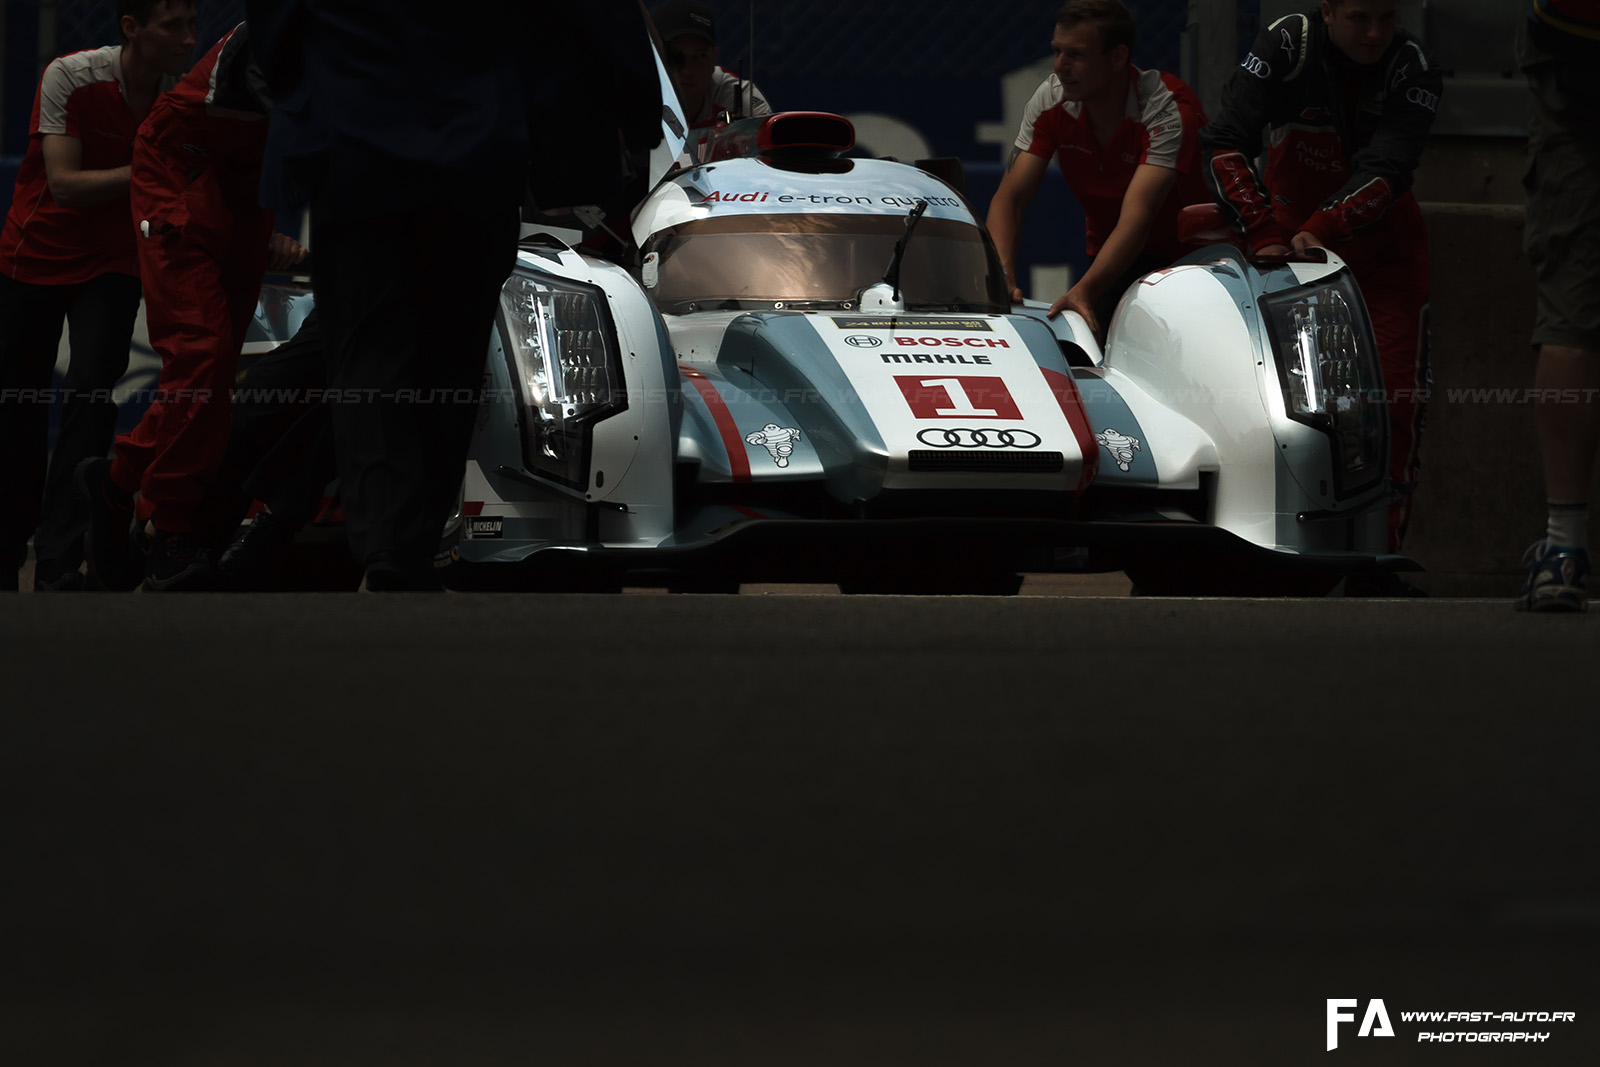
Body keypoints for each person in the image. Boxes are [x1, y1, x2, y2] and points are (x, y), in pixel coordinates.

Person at [1201, 0, 1440, 559]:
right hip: (1287, 256)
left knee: (1393, 408)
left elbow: (1390, 168)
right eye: (1360, 17)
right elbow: (1225, 139)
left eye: (1386, 18)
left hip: (1385, 259)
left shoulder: (1412, 65)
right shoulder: (1288, 45)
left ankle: (1377, 563)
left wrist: (1323, 227)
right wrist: (1262, 229)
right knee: (1282, 411)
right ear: (1328, 12)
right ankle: (1271, 555)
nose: (1374, 32)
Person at [77, 21, 305, 592]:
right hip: (181, 167)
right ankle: (168, 529)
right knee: (201, 355)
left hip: (251, 186)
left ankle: (119, 479)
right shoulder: (279, 28)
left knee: (215, 373)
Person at [0, 0, 195, 592]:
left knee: (91, 397)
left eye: (193, 25)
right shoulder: (70, 74)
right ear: (131, 28)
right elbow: (63, 184)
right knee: (18, 408)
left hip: (114, 263)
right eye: (174, 26)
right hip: (33, 256)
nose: (189, 39)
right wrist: (149, 171)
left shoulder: (184, 98)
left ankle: (59, 561)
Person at [985, 0, 1209, 341]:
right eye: (1057, 51)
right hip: (1112, 256)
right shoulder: (1051, 99)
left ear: (1118, 57)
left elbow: (1138, 219)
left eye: (1077, 55)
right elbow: (1009, 199)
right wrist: (1001, 278)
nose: (1060, 66)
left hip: (1193, 261)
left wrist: (1084, 290)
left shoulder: (1168, 108)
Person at [1516, 1, 1600, 612]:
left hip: (1578, 53)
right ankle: (1564, 544)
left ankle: (1565, 549)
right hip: (1577, 53)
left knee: (1573, 312)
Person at [651, 0, 771, 157]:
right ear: (656, 57)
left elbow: (771, 158)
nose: (687, 70)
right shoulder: (635, 97)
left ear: (714, 57)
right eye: (675, 58)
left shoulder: (739, 101)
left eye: (700, 56)